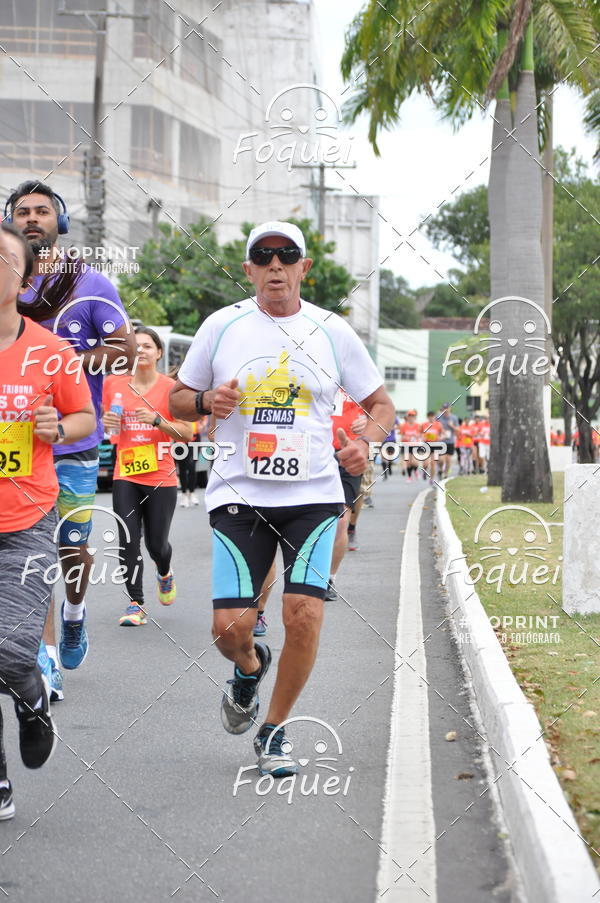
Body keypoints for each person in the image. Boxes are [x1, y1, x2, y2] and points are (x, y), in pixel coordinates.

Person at [169, 221, 394, 776]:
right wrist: (204, 400)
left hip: (314, 497)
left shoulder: (332, 330)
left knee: (303, 614)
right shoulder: (222, 326)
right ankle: (248, 669)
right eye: (262, 257)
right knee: (230, 629)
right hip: (237, 494)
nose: (275, 266)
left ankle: (273, 730)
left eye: (286, 256)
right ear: (248, 269)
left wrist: (364, 444)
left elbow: (381, 407)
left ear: (303, 268)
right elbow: (175, 399)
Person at [9, 181, 136, 698]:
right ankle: (45, 659)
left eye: (43, 211)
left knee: (71, 547)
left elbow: (125, 350)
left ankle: (76, 612)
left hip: (74, 439)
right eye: (22, 211)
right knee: (30, 555)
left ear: (60, 224)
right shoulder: (4, 286)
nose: (32, 218)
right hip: (16, 445)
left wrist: (61, 363)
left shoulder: (90, 286)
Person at [0, 223, 95, 816]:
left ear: (26, 275)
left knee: (10, 652)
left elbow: (85, 419)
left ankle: (31, 699)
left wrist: (56, 429)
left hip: (27, 520)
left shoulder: (50, 351)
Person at [102, 327, 193, 626]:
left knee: (156, 545)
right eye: (135, 346)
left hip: (161, 476)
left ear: (158, 352)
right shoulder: (114, 384)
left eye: (147, 346)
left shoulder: (171, 389)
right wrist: (109, 423)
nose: (141, 350)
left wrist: (158, 420)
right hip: (125, 472)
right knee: (127, 539)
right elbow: (109, 431)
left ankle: (164, 571)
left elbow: (188, 433)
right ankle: (135, 603)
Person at [325, 388, 368, 600]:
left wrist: (367, 420)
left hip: (347, 454)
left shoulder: (354, 380)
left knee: (340, 521)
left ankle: (329, 579)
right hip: (312, 452)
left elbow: (380, 409)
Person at [398, 409, 421, 481]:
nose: (411, 417)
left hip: (415, 445)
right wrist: (405, 437)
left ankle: (416, 470)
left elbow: (421, 434)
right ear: (407, 417)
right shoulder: (403, 426)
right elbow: (401, 436)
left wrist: (416, 435)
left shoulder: (418, 425)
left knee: (414, 462)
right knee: (407, 461)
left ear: (415, 417)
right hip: (406, 445)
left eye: (412, 416)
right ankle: (409, 477)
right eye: (410, 416)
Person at [438, 402, 459, 478]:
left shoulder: (454, 418)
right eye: (444, 408)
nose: (446, 410)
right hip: (441, 442)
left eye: (447, 408)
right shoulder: (438, 417)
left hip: (450, 441)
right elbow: (434, 427)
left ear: (450, 409)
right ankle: (440, 469)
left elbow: (458, 429)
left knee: (448, 460)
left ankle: (446, 474)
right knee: (441, 459)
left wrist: (452, 426)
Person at [421, 410, 443, 483]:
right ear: (428, 417)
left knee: (433, 463)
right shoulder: (424, 424)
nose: (431, 418)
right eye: (429, 417)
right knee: (426, 463)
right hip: (426, 444)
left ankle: (431, 478)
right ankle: (424, 471)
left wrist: (441, 437)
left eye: (432, 417)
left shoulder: (438, 425)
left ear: (434, 417)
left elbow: (443, 433)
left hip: (435, 444)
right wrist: (422, 437)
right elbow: (420, 433)